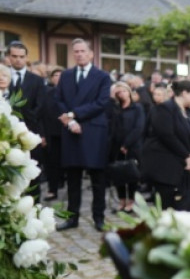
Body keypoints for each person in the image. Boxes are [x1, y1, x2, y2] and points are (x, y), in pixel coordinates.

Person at [55, 38, 112, 232]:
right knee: (73, 179)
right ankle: (72, 218)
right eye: (76, 51)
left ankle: (99, 217)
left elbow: (102, 102)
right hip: (71, 130)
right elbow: (59, 100)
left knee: (98, 179)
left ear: (91, 54)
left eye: (82, 51)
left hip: (94, 131)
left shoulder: (102, 76)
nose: (79, 54)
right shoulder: (66, 75)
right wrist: (70, 121)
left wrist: (75, 114)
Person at [140, 80, 190, 212]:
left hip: (188, 170)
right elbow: (166, 135)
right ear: (185, 93)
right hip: (167, 169)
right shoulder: (164, 109)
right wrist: (187, 157)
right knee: (167, 209)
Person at [6, 42, 45, 199]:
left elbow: (40, 107)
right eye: (14, 56)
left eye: (21, 57)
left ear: (26, 58)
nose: (18, 60)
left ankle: (33, 204)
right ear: (8, 57)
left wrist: (28, 129)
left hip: (29, 132)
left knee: (31, 172)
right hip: (6, 133)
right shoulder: (3, 77)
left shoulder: (36, 80)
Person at [108, 81, 145, 213]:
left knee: (131, 174)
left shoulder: (137, 108)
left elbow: (138, 127)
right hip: (116, 146)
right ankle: (122, 200)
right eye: (118, 92)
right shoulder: (116, 108)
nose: (121, 94)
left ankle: (131, 201)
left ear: (129, 92)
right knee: (118, 173)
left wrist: (126, 144)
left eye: (123, 91)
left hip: (132, 146)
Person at [39, 66, 64, 200]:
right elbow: (41, 114)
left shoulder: (71, 93)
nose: (58, 78)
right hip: (52, 133)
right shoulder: (46, 93)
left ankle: (63, 183)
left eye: (61, 75)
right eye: (55, 75)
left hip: (68, 132)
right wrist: (43, 134)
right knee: (52, 163)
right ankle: (52, 189)